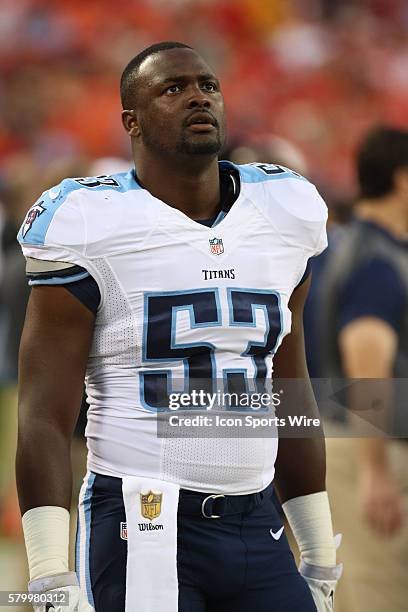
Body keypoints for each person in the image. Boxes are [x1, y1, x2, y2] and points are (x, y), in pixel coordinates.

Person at [16, 41, 341, 612]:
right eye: (173, 88)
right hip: (143, 520)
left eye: (207, 85)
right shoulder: (91, 222)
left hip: (255, 518)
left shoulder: (284, 210)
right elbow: (43, 410)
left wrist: (318, 551)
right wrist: (47, 573)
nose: (198, 97)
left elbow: (290, 392)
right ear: (131, 122)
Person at [320, 126, 408, 612]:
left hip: (336, 435)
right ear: (402, 180)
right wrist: (376, 469)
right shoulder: (377, 257)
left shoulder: (339, 246)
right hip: (369, 445)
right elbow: (365, 353)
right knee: (383, 595)